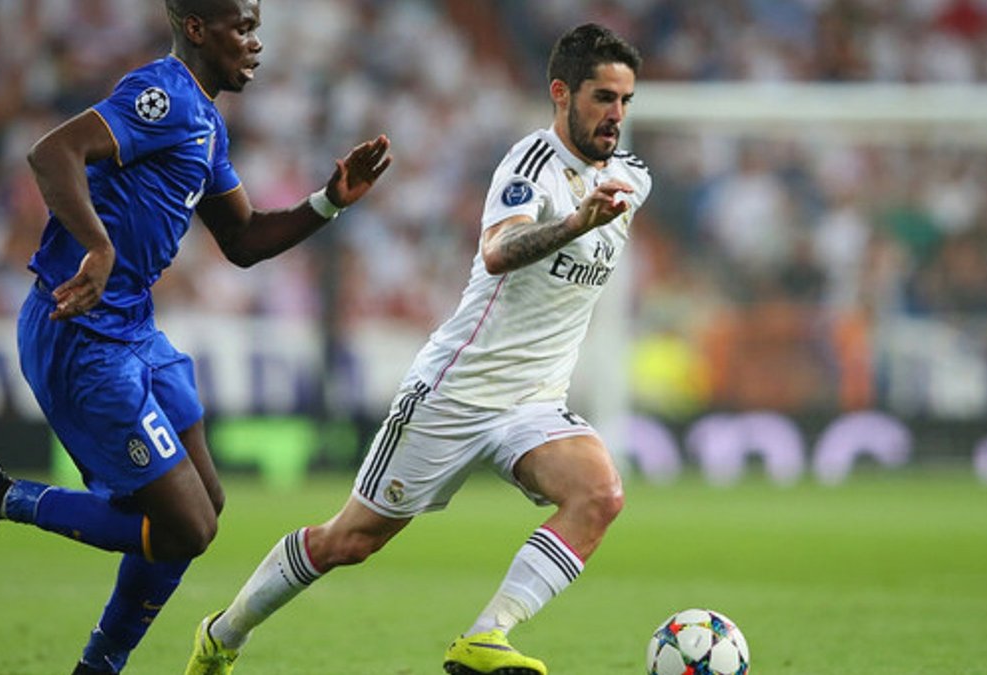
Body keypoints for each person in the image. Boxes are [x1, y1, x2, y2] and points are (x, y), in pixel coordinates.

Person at [0, 1, 391, 673]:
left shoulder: (207, 122)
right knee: (186, 527)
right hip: (81, 333)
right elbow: (52, 153)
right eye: (243, 28)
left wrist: (329, 200)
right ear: (197, 29)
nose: (255, 43)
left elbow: (242, 239)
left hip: (134, 329)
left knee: (205, 507)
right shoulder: (162, 94)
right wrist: (98, 245)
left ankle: (98, 666)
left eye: (256, 27)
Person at [185, 22, 650, 675]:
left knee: (600, 493)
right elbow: (497, 252)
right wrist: (575, 222)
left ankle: (485, 637)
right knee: (349, 540)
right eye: (603, 97)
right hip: (454, 392)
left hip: (535, 400)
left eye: (626, 100)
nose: (617, 115)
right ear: (560, 93)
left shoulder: (632, 177)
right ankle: (223, 633)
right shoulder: (529, 166)